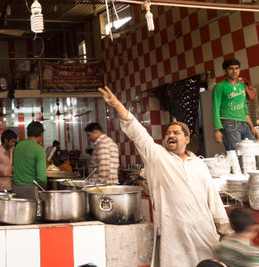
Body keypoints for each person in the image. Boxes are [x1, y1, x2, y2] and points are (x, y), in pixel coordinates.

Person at [98, 85, 232, 267]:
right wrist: (117, 105)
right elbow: (137, 133)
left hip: (203, 233)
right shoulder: (157, 157)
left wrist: (224, 228)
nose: (170, 135)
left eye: (176, 133)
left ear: (187, 138)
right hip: (173, 237)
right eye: (168, 133)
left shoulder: (199, 164)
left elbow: (213, 199)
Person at [212, 58, 259, 172]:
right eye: (231, 68)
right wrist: (217, 129)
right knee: (236, 157)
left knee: (253, 154)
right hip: (229, 123)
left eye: (237, 68)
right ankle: (238, 184)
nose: (235, 71)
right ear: (224, 71)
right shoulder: (220, 87)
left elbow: (244, 108)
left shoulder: (242, 86)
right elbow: (215, 108)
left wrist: (252, 127)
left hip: (244, 124)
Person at [13, 121, 47, 200]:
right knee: (33, 212)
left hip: (16, 189)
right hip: (31, 190)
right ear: (41, 134)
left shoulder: (18, 146)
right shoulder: (39, 150)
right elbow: (42, 179)